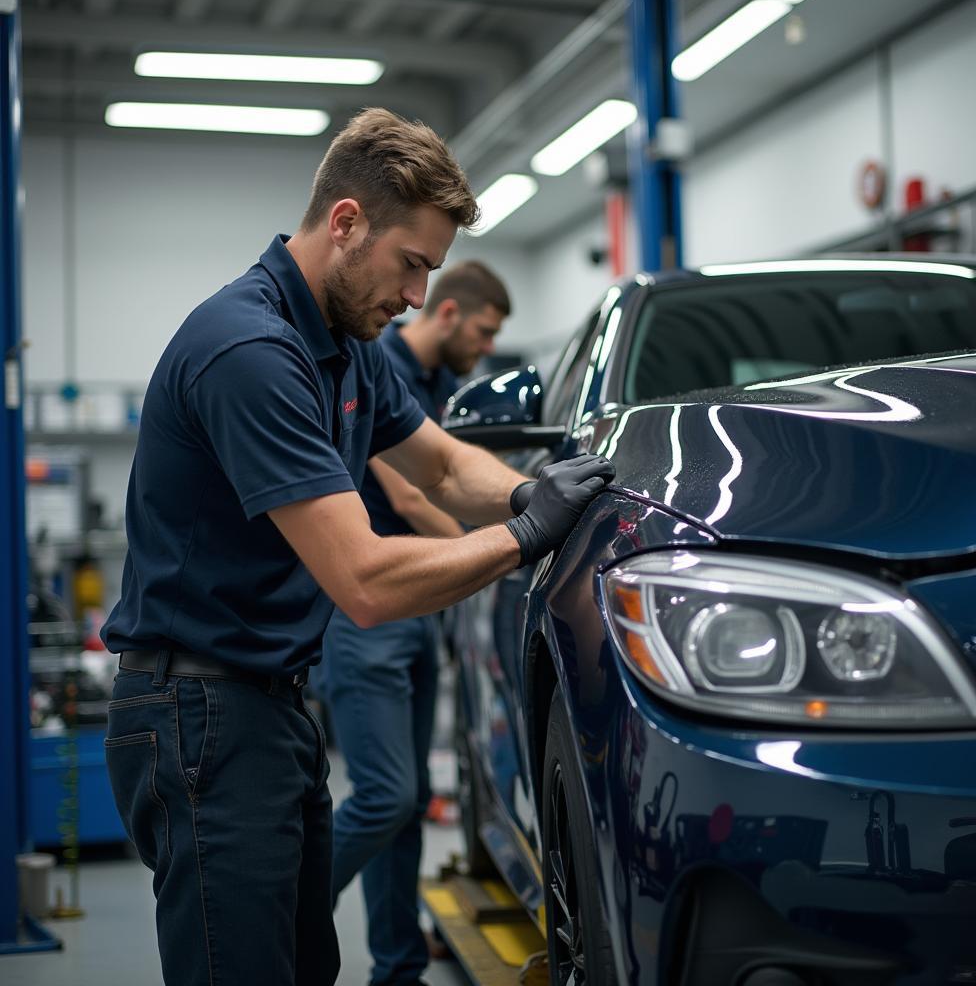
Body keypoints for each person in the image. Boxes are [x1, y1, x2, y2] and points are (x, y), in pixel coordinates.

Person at [100, 105, 614, 986]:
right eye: (411, 264)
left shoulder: (347, 343)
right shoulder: (250, 350)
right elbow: (365, 582)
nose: (418, 296)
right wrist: (528, 534)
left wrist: (534, 487)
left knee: (303, 966)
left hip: (271, 710)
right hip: (199, 719)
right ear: (347, 223)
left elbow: (445, 468)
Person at [319, 260, 510, 986]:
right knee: (385, 796)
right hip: (371, 610)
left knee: (404, 810)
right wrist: (498, 550)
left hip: (420, 616)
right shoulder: (379, 358)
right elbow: (409, 491)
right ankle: (286, 913)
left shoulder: (441, 386)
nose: (487, 347)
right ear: (452, 313)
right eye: (485, 331)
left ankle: (396, 963)